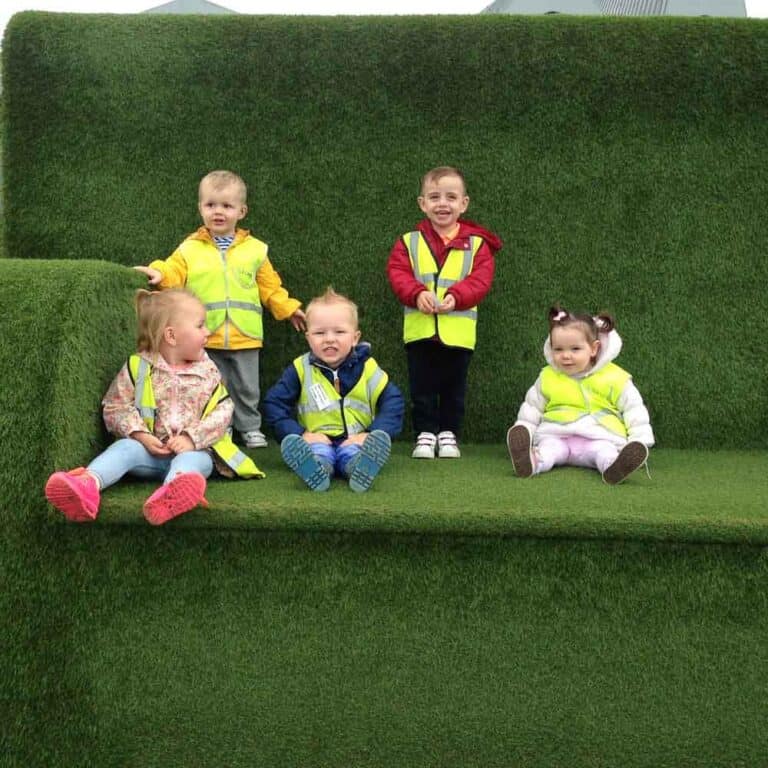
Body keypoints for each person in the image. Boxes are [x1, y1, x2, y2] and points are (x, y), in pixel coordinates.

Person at [45, 289, 263, 526]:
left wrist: (191, 439)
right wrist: (141, 436)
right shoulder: (138, 367)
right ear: (171, 336)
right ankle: (87, 484)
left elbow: (223, 412)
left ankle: (173, 492)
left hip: (197, 452)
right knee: (125, 448)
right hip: (149, 454)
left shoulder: (208, 371)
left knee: (189, 464)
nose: (207, 332)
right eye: (200, 326)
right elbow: (115, 406)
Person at [134, 169, 305, 449]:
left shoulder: (256, 250)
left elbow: (271, 288)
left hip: (245, 335)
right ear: (200, 208)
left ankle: (250, 428)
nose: (218, 212)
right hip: (204, 336)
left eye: (227, 206)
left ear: (242, 211)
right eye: (210, 205)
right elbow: (173, 271)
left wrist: (289, 309)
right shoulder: (189, 248)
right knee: (209, 387)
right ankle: (217, 431)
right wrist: (158, 273)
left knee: (247, 389)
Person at [386, 165, 502, 460]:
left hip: (459, 334)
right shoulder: (408, 241)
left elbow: (481, 280)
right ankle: (424, 434)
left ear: (464, 204)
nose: (443, 203)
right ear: (422, 204)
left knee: (454, 388)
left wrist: (456, 296)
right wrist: (417, 293)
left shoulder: (478, 245)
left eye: (451, 197)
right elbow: (398, 273)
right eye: (434, 197)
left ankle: (449, 433)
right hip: (420, 331)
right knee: (421, 387)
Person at [262, 288, 404, 492]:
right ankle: (317, 470)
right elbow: (273, 403)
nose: (329, 339)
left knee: (354, 454)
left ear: (355, 338)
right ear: (308, 338)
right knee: (318, 453)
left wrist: (373, 434)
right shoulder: (300, 368)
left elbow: (394, 401)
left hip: (355, 440)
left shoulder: (369, 368)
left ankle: (359, 469)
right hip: (317, 439)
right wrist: (299, 433)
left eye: (339, 332)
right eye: (320, 333)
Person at [506, 306, 654, 485]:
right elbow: (531, 408)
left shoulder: (615, 377)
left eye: (575, 349)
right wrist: (525, 431)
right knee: (548, 450)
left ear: (593, 348)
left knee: (603, 452)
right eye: (558, 349)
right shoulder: (547, 376)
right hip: (557, 435)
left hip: (599, 436)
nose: (566, 356)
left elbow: (634, 410)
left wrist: (640, 441)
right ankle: (531, 462)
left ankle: (615, 466)